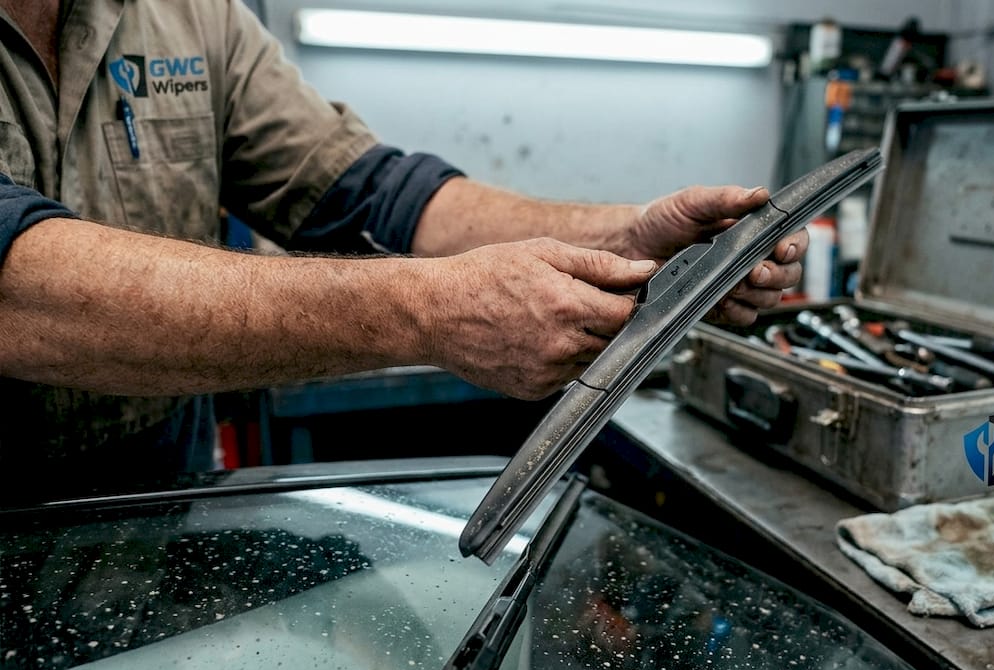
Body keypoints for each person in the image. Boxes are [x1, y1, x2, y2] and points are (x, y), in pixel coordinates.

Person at [0, 1, 808, 474]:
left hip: (159, 507)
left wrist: (628, 239)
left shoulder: (190, 17)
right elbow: (15, 285)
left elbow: (373, 191)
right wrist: (424, 313)